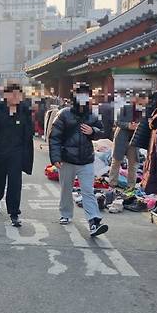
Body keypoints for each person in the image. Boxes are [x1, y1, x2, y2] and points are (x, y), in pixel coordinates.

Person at [49, 83, 109, 237]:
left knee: (88, 191)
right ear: (74, 96)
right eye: (80, 94)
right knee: (66, 189)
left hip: (86, 160)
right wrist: (55, 158)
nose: (83, 98)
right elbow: (54, 137)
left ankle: (94, 222)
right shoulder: (64, 114)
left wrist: (93, 131)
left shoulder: (93, 116)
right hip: (67, 159)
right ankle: (66, 213)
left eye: (86, 95)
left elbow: (102, 132)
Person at [0, 84, 34, 227]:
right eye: (12, 94)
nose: (15, 97)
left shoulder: (24, 112)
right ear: (6, 96)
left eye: (18, 94)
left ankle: (14, 213)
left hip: (16, 153)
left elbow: (29, 131)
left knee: (15, 183)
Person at [108, 92, 149, 189]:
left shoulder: (145, 111)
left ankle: (131, 186)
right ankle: (112, 183)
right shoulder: (125, 108)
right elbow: (117, 122)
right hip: (121, 138)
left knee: (133, 163)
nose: (144, 104)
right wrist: (128, 126)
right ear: (137, 99)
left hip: (135, 140)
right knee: (116, 161)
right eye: (143, 102)